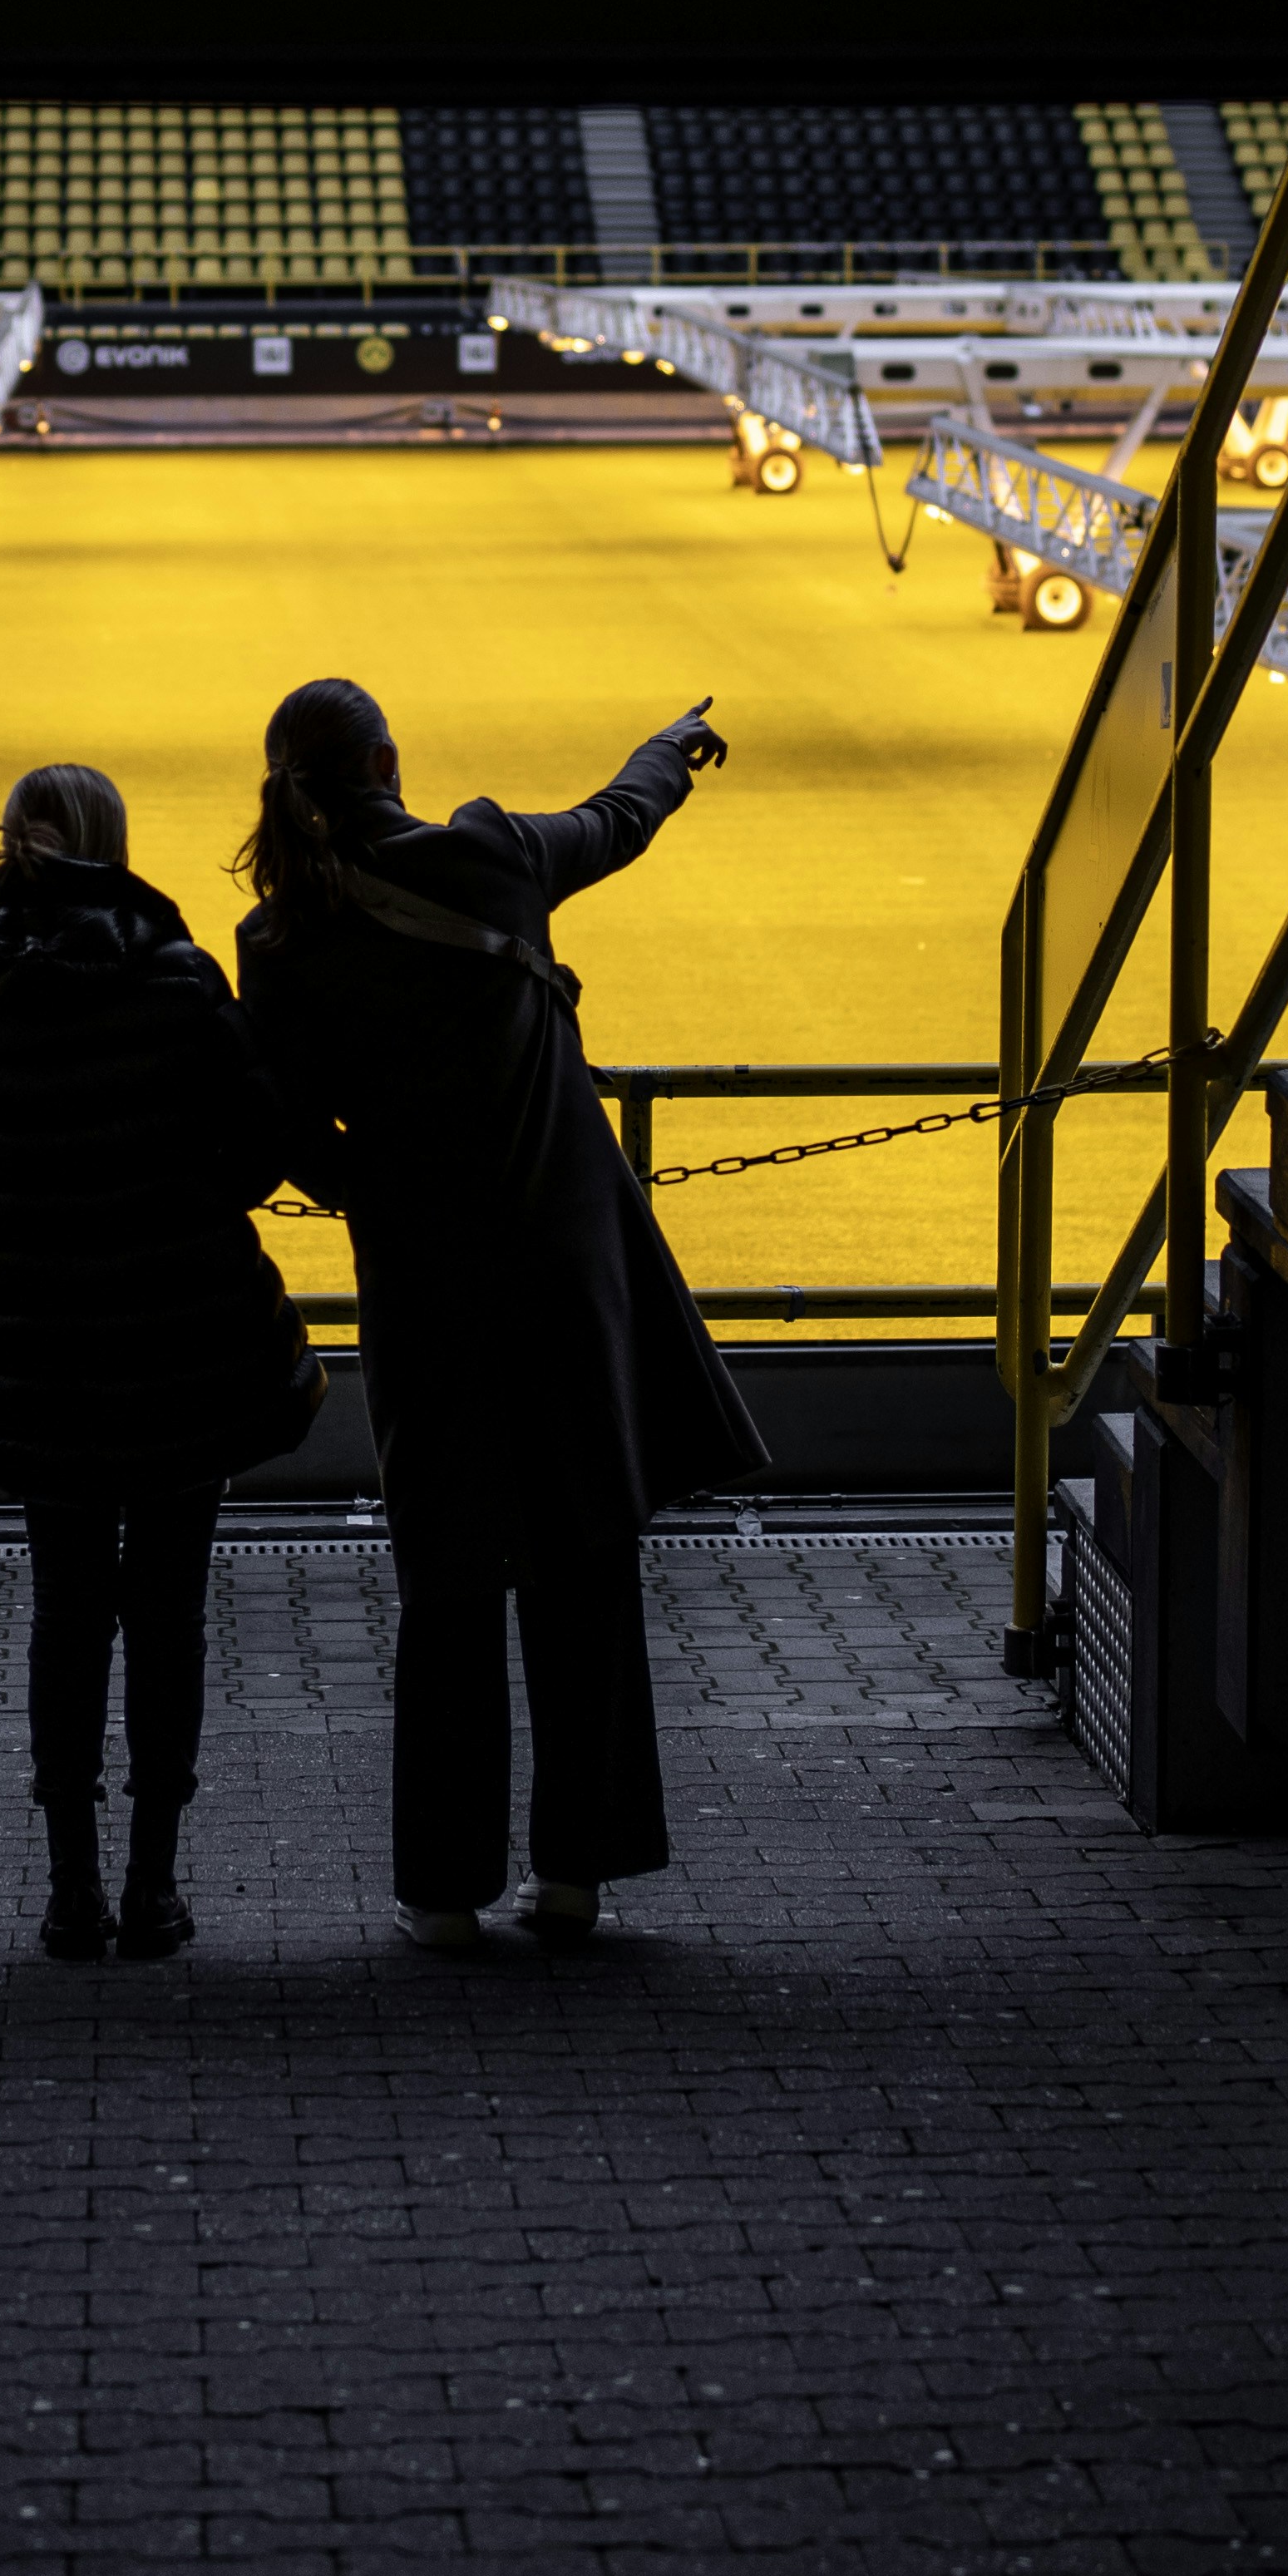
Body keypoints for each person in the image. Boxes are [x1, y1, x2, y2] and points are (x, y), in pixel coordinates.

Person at [235, 679, 763, 1953]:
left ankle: (443, 1888)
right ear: (386, 757)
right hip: (565, 1278)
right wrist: (669, 750)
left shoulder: (280, 937)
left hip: (422, 1285)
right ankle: (578, 1872)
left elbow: (281, 1133)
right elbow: (618, 818)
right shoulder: (494, 855)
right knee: (584, 1558)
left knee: (449, 1576)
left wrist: (378, 1193)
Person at [0, 760, 320, 1962]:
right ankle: (154, 1888)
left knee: (68, 1619)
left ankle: (70, 1889)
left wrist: (28, 1222)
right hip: (182, 1347)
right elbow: (261, 1145)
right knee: (169, 1617)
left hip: (44, 1358)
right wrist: (176, 1207)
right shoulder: (180, 982)